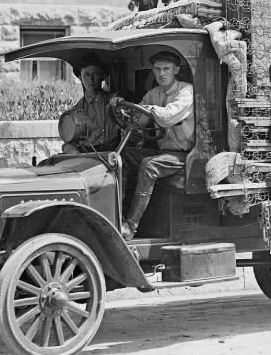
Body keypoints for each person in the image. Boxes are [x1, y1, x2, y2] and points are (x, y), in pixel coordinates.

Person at [114, 50, 194, 240]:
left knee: (149, 164)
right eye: (157, 69)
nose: (161, 73)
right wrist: (121, 109)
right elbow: (139, 120)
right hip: (163, 152)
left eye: (166, 69)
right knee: (123, 156)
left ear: (176, 70)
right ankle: (117, 217)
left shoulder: (186, 91)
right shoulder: (154, 93)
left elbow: (167, 117)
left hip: (186, 156)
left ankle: (131, 226)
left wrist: (147, 109)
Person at [60, 56, 119, 153]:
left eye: (95, 74)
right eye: (86, 75)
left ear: (103, 76)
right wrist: (74, 153)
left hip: (115, 155)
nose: (91, 79)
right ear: (80, 77)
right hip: (90, 157)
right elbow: (69, 143)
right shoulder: (75, 113)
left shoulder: (116, 102)